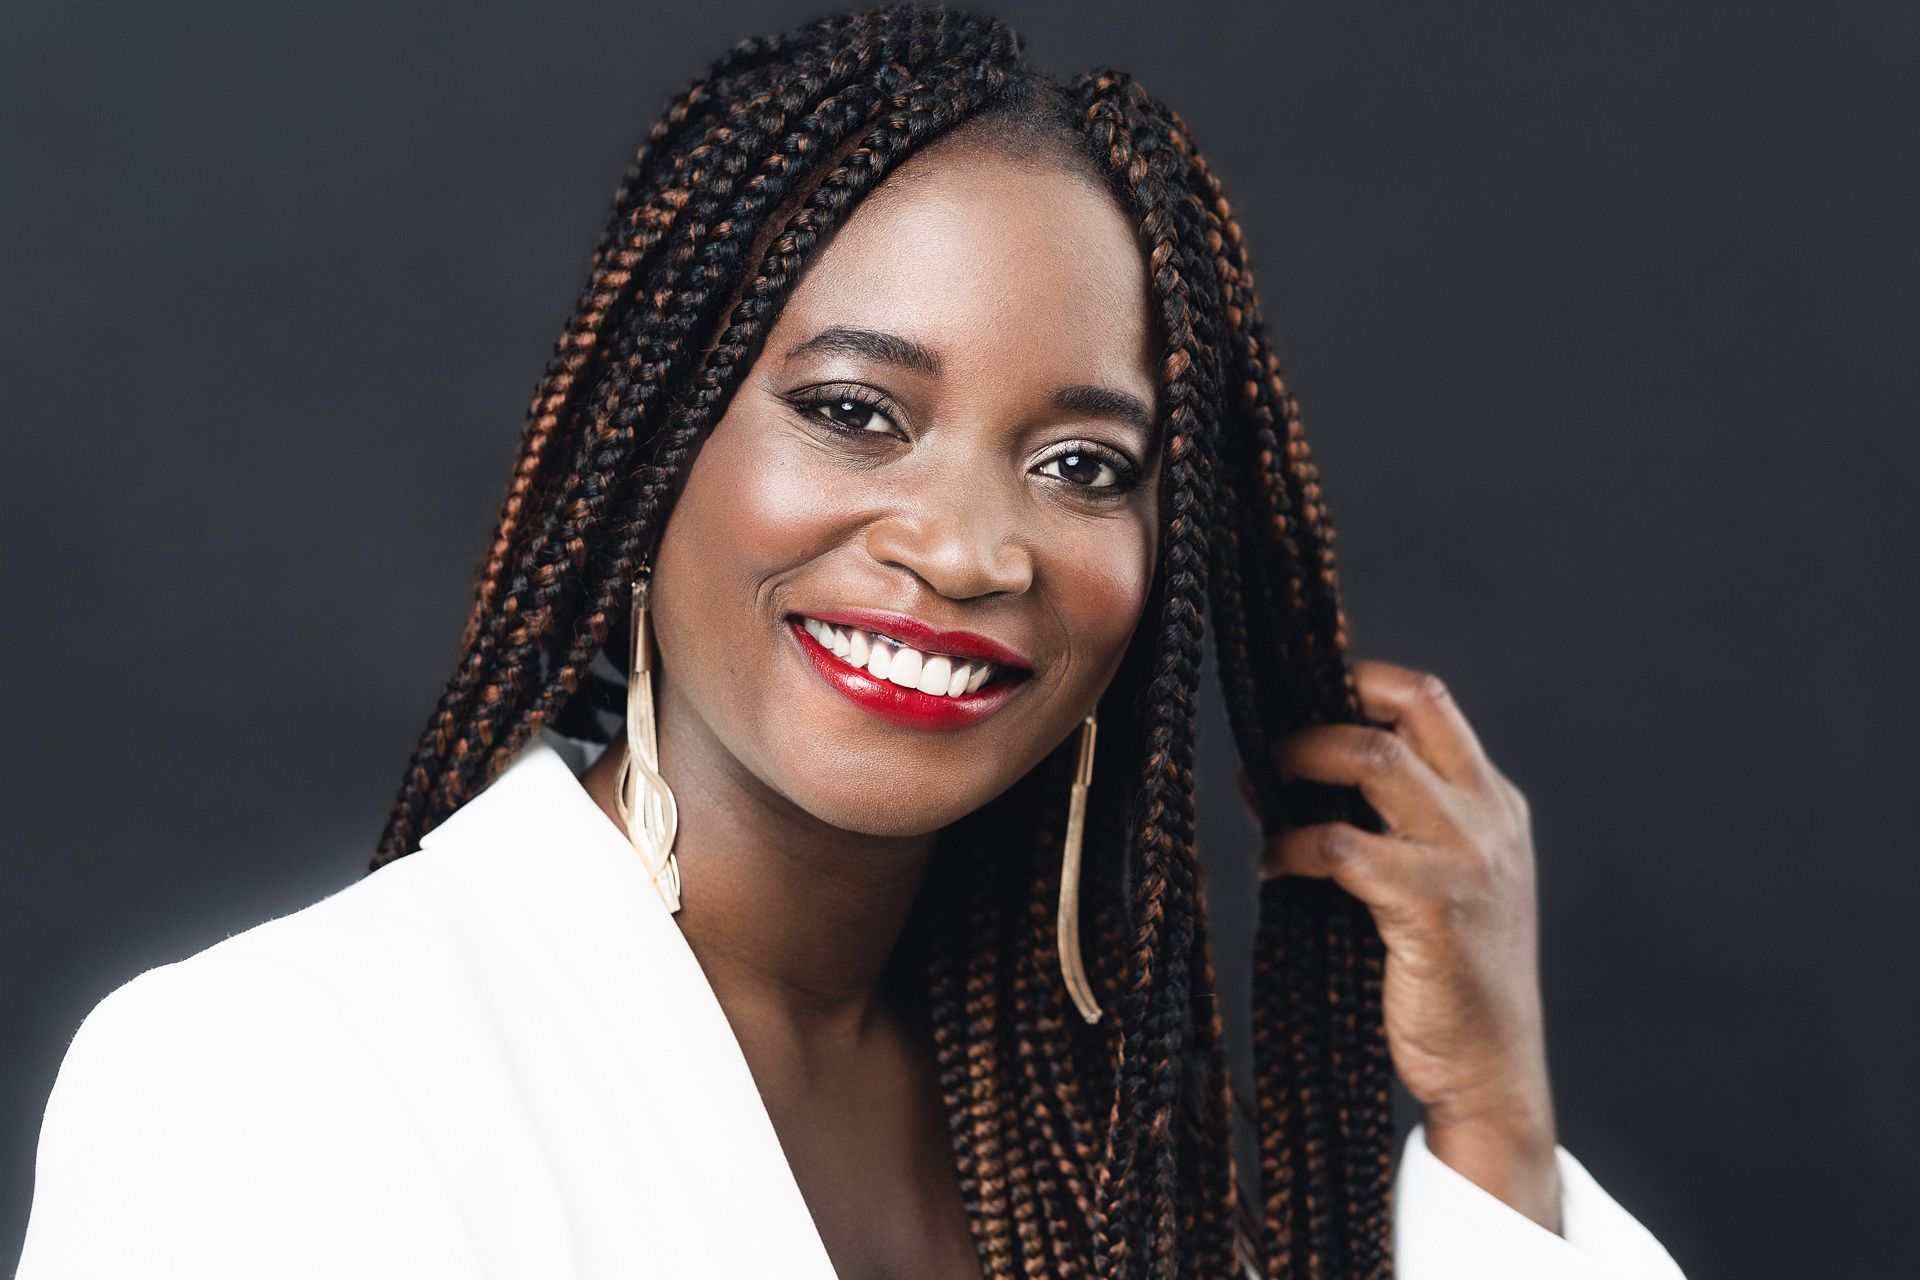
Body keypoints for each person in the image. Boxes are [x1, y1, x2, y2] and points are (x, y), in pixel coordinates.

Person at [15, 7, 1688, 1278]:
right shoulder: (274, 1077)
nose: (967, 549)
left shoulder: (1088, 1145)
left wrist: (1497, 1129)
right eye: (853, 411)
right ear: (655, 441)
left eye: (1082, 466)